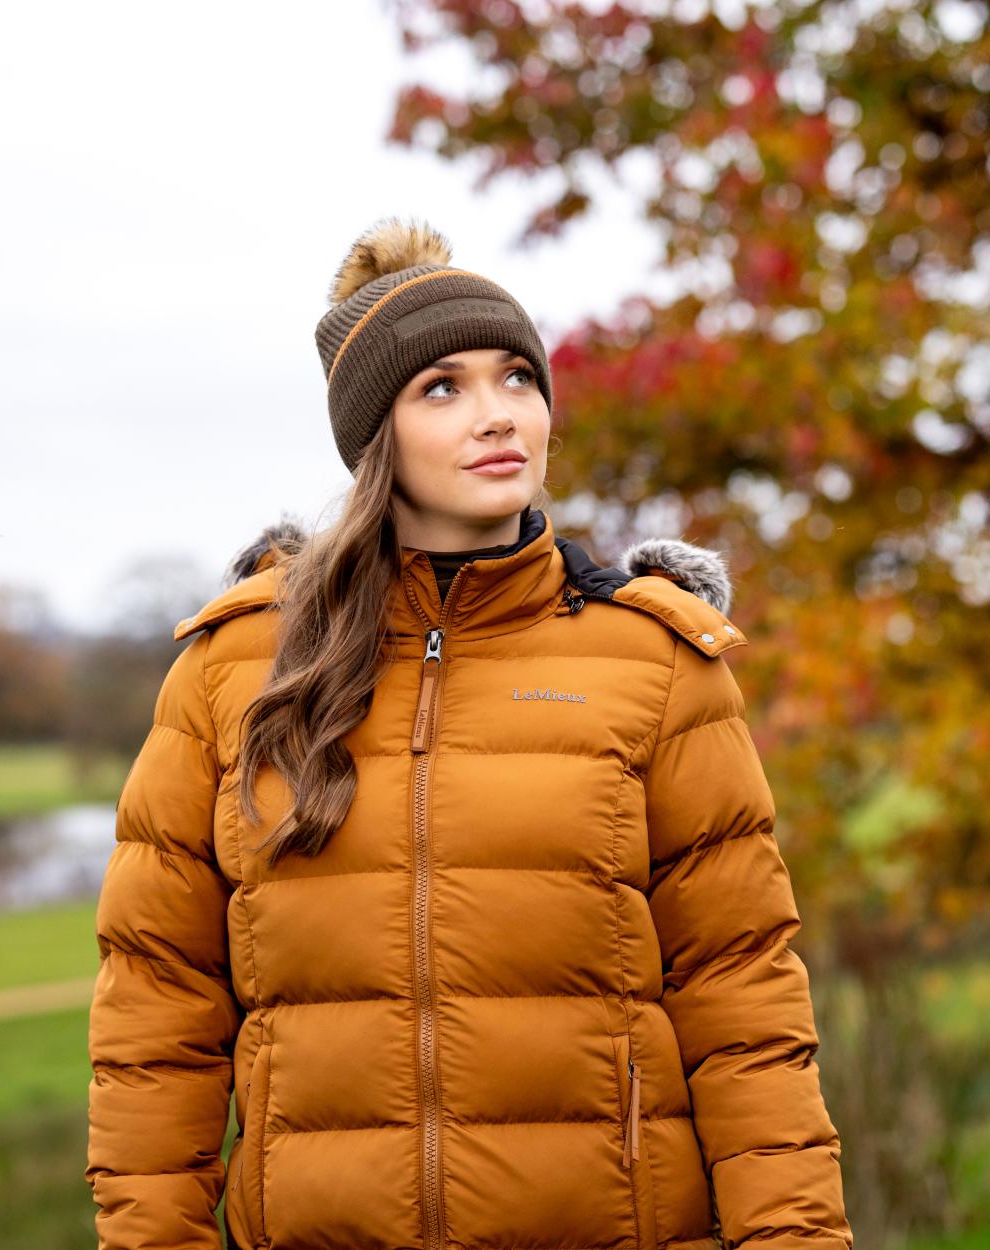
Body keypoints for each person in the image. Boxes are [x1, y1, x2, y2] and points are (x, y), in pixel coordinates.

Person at [85, 217, 853, 1250]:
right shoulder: (238, 668)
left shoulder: (657, 658)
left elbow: (744, 996)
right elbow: (154, 1008)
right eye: (441, 387)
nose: (497, 415)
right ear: (374, 437)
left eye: (516, 379)